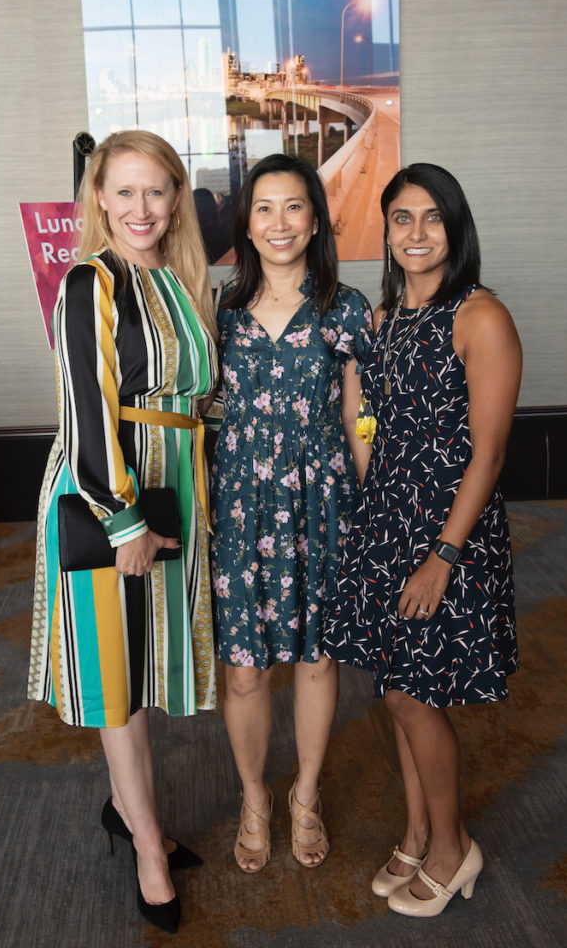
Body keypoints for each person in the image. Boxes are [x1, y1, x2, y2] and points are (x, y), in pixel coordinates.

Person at [27, 130, 219, 934]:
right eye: (125, 192)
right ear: (99, 198)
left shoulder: (179, 281)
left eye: (158, 191)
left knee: (140, 667)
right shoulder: (90, 282)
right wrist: (124, 518)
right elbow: (85, 410)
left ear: (177, 199)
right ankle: (146, 845)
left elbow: (196, 398)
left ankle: (125, 808)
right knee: (116, 676)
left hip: (175, 489)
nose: (142, 208)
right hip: (113, 500)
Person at [322, 163, 522, 917]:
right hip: (387, 524)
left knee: (412, 693)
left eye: (432, 218)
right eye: (402, 219)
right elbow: (371, 424)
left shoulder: (481, 316)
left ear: (456, 227)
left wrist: (442, 555)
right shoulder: (384, 322)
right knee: (398, 686)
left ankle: (452, 846)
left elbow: (490, 453)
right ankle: (415, 833)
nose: (416, 233)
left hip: (448, 533)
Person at [210, 154, 372, 873]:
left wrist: (370, 513)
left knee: (315, 657)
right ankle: (255, 797)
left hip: (321, 502)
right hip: (242, 508)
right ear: (246, 223)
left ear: (315, 220)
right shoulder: (220, 308)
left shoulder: (346, 307)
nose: (280, 223)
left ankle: (305, 793)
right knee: (244, 669)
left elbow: (358, 415)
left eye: (295, 206)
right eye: (265, 208)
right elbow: (204, 416)